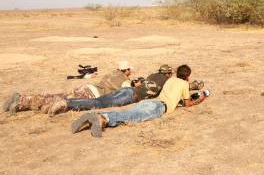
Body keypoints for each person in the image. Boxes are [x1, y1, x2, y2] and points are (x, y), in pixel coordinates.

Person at [71, 64, 207, 138]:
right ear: (188, 76)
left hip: (150, 102)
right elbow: (188, 104)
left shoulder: (170, 79)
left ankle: (94, 118)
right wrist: (199, 99)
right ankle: (102, 118)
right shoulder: (183, 85)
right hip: (159, 107)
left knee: (128, 112)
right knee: (131, 116)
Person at [48, 64, 209, 116]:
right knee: (98, 103)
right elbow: (179, 88)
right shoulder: (169, 80)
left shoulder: (153, 75)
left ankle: (65, 102)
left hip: (128, 91)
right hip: (130, 97)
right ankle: (67, 103)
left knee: (99, 101)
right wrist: (196, 90)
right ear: (168, 73)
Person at [2, 61, 134, 114]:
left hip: (85, 87)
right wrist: (133, 84)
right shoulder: (125, 80)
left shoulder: (112, 73)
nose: (130, 72)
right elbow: (127, 92)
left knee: (55, 96)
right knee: (55, 100)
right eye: (129, 70)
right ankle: (20, 104)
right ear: (126, 70)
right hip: (91, 95)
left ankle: (22, 99)